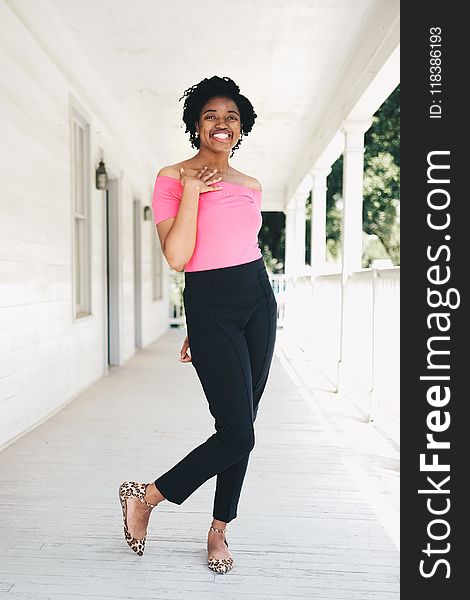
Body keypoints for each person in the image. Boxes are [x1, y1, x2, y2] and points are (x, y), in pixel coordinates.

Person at [119, 76, 277, 574]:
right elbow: (178, 256)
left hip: (257, 300)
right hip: (209, 303)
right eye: (211, 115)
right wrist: (191, 191)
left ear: (241, 127)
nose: (221, 124)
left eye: (231, 116)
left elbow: (239, 247)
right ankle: (146, 497)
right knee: (237, 432)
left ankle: (218, 531)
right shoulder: (171, 176)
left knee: (243, 425)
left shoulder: (250, 185)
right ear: (195, 124)